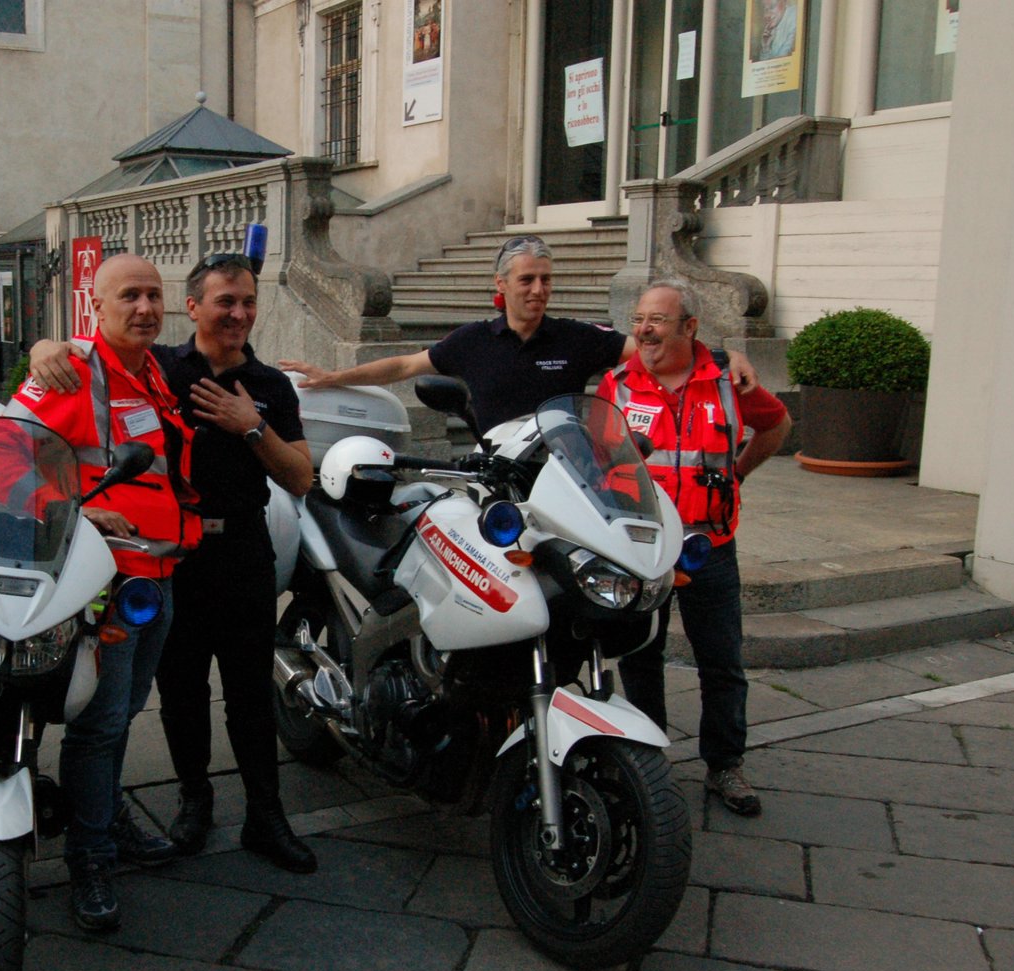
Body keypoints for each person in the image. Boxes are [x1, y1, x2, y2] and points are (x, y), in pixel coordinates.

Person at [28, 252, 321, 874]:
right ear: (193, 308)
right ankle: (194, 801)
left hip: (242, 549)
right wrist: (44, 348)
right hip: (168, 560)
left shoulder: (268, 386)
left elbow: (301, 478)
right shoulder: (161, 365)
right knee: (178, 689)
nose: (238, 313)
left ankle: (266, 816)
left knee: (247, 689)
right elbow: (88, 361)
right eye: (225, 302)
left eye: (247, 302)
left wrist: (252, 427)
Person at [0, 253, 201, 931]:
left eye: (154, 295)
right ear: (95, 307)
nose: (144, 307)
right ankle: (91, 855)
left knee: (120, 715)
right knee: (100, 726)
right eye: (128, 296)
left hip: (157, 579)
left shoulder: (153, 371)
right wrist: (66, 508)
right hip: (109, 584)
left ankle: (104, 815)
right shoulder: (73, 370)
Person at [597, 278, 791, 816]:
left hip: (710, 548)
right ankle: (647, 760)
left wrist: (737, 476)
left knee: (722, 664)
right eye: (638, 320)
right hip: (641, 550)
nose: (644, 330)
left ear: (690, 327)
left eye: (656, 320)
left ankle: (725, 766)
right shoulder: (619, 384)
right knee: (641, 659)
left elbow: (776, 427)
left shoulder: (728, 381)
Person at [278, 236, 756, 436]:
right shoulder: (472, 341)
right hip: (496, 482)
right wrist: (335, 376)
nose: (539, 289)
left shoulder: (578, 338)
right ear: (501, 286)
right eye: (527, 280)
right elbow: (404, 366)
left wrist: (723, 352)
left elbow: (658, 346)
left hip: (564, 480)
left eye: (546, 279)